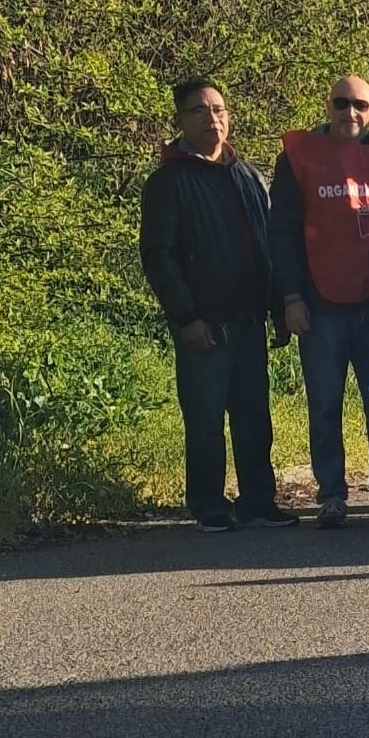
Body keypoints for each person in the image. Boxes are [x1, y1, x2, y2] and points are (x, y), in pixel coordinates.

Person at [138, 78, 295, 532]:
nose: (213, 119)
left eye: (220, 110)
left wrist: (276, 309)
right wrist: (185, 316)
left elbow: (266, 247)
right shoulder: (168, 181)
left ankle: (258, 503)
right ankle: (208, 505)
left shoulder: (246, 176)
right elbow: (158, 257)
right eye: (200, 111)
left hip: (249, 320)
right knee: (205, 419)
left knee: (253, 416)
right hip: (203, 323)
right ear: (181, 121)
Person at [267, 76, 369, 529]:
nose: (350, 112)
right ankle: (331, 495)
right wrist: (290, 297)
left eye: (360, 105)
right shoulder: (299, 156)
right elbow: (283, 232)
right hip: (320, 306)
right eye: (341, 103)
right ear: (328, 106)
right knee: (325, 405)